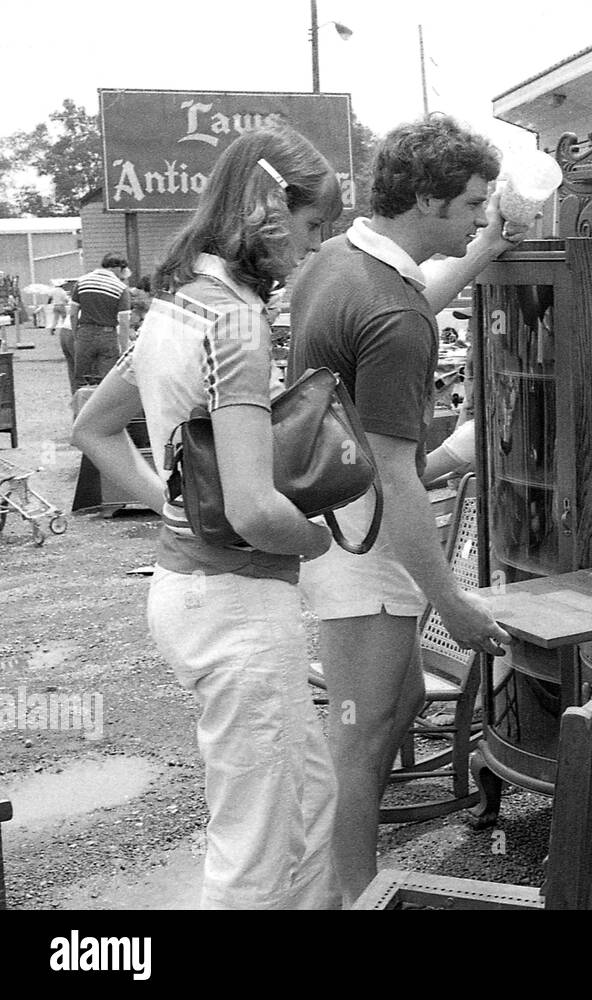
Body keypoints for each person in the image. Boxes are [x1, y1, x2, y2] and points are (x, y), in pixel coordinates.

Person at [71, 123, 344, 909]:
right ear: (269, 207)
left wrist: (172, 500)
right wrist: (316, 536)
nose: (312, 245)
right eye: (311, 224)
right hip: (238, 602)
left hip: (185, 591)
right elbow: (259, 510)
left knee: (306, 799)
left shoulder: (179, 308)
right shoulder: (236, 321)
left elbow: (92, 422)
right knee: (252, 852)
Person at [288, 113, 524, 904]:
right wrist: (451, 602)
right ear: (426, 199)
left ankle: (344, 877)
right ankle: (351, 894)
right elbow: (398, 476)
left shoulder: (338, 261)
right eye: (470, 205)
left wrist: (484, 252)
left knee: (405, 700)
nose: (479, 215)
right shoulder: (396, 316)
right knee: (359, 738)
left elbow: (409, 297)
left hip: (329, 518)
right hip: (361, 538)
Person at [68, 253, 132, 386]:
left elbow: (73, 313)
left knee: (83, 379)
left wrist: (76, 335)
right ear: (119, 268)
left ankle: (82, 405)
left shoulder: (82, 282)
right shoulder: (121, 288)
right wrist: (124, 348)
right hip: (108, 335)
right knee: (106, 382)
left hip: (85, 333)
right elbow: (124, 322)